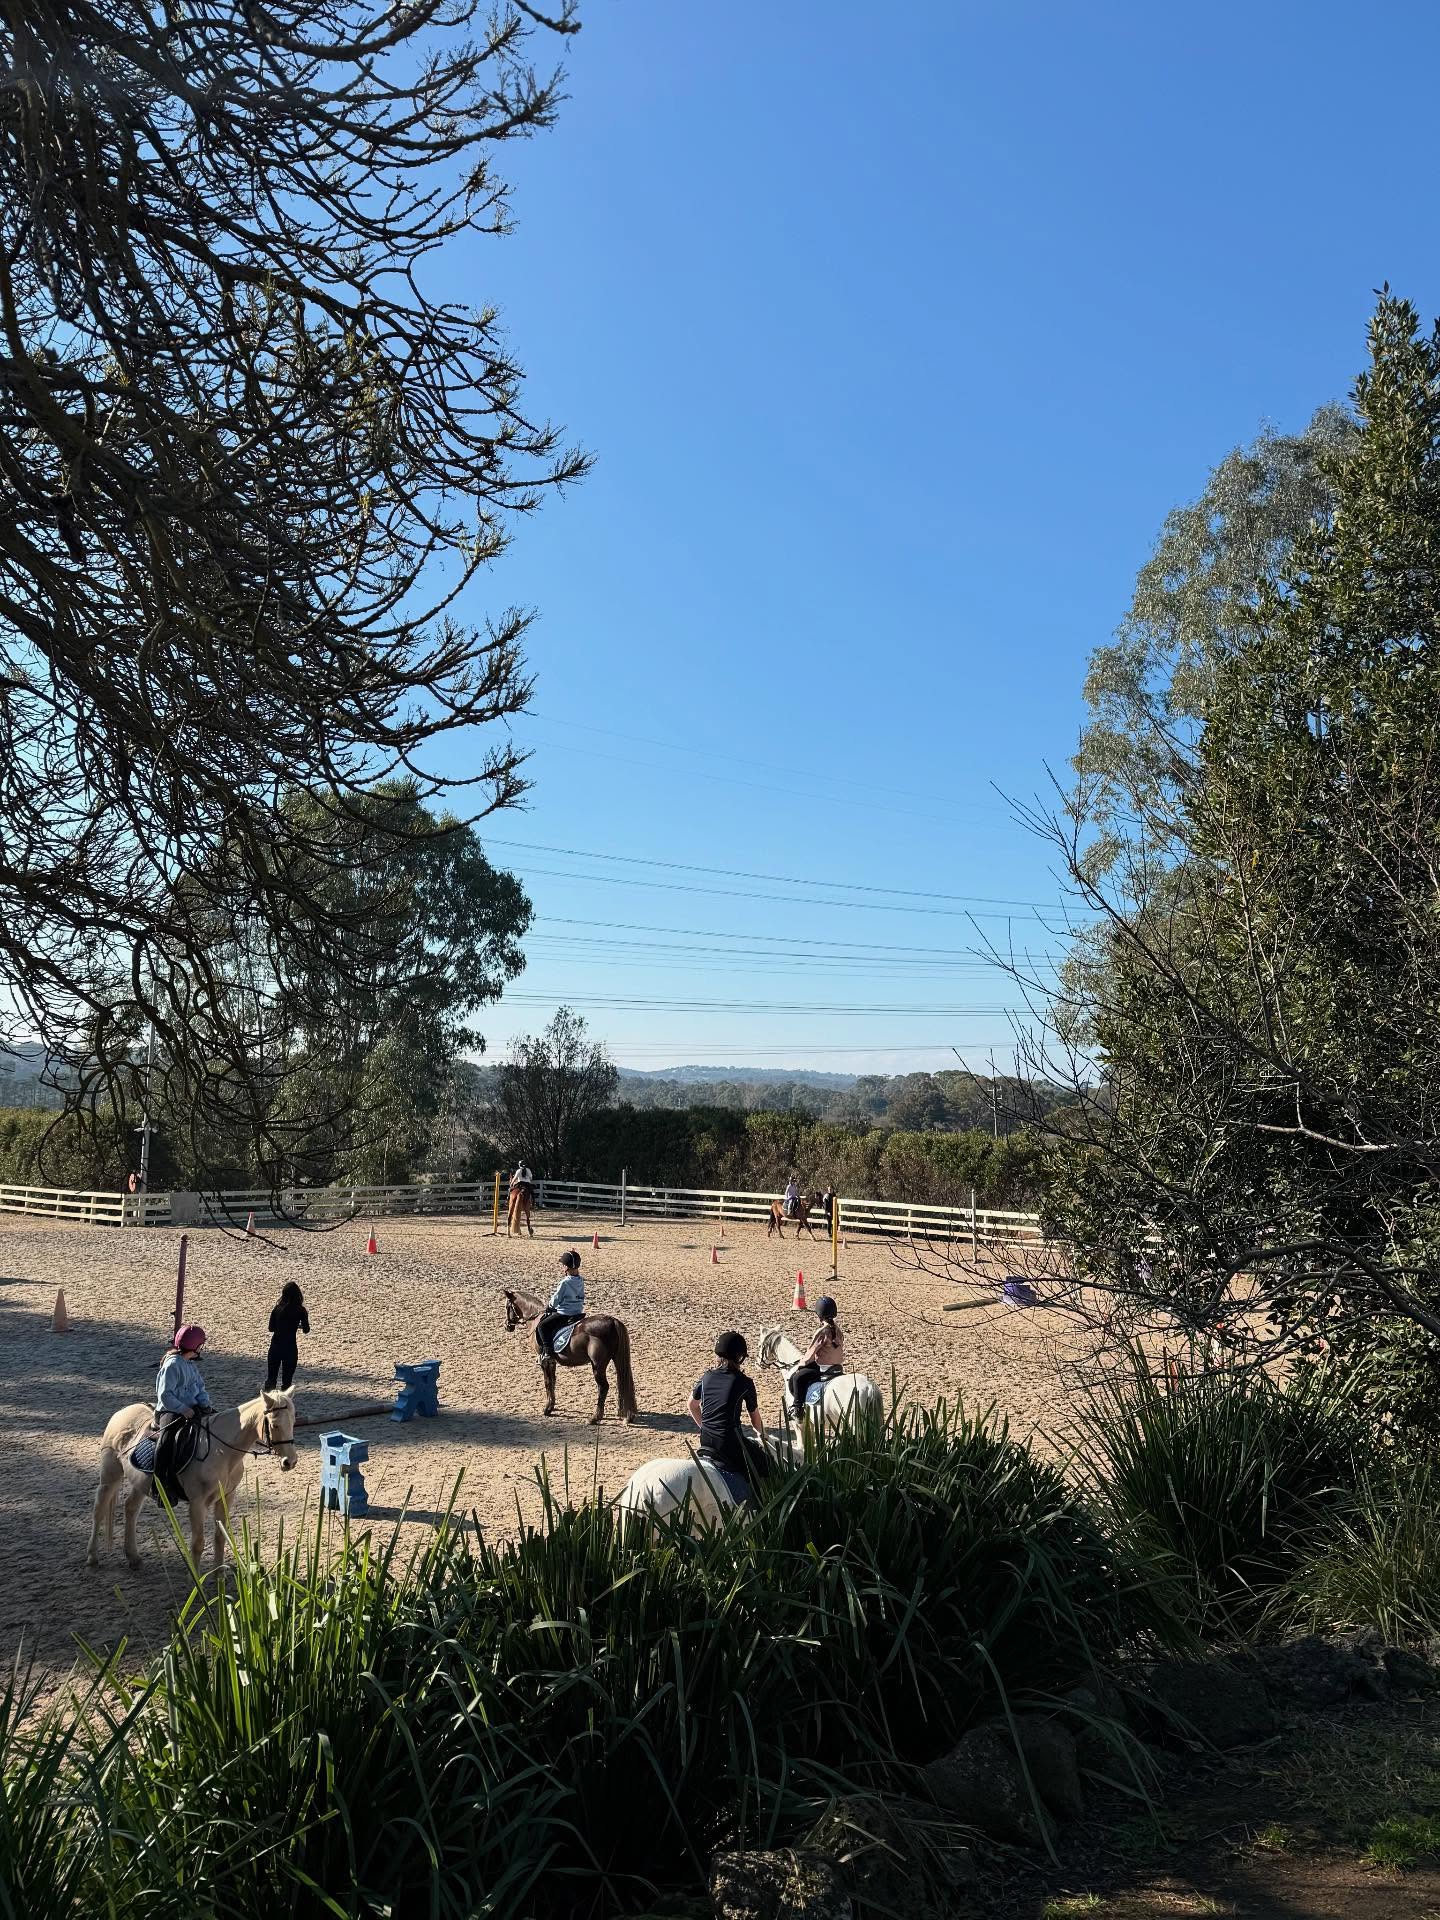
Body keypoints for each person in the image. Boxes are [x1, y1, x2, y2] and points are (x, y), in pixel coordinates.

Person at [689, 1330, 769, 1501]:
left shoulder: (706, 1377)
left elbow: (692, 1405)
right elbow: (755, 1420)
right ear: (740, 1358)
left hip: (705, 1440)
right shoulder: (744, 1382)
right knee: (763, 1464)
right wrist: (763, 1436)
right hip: (730, 1444)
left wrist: (705, 1427)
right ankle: (758, 1504)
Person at [152, 1323, 214, 1485]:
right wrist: (183, 1409)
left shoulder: (191, 1365)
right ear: (197, 1346)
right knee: (166, 1441)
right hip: (170, 1410)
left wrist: (205, 1404)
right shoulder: (172, 1365)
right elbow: (165, 1395)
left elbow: (200, 1388)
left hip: (192, 1408)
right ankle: (159, 1483)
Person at [790, 1295, 846, 1419]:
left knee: (798, 1377)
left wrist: (800, 1364)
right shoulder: (838, 1330)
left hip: (824, 1368)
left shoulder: (822, 1332)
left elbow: (810, 1354)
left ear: (819, 1314)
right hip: (838, 1367)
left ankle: (797, 1408)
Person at [535, 1249, 585, 1359]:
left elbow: (557, 1297)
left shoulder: (565, 1282)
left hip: (565, 1313)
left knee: (542, 1326)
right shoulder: (581, 1280)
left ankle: (547, 1352)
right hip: (578, 1311)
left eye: (563, 1265)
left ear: (566, 1267)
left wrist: (550, 1306)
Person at [265, 1280, 310, 1391]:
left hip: (275, 1346)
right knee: (287, 1382)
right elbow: (306, 1330)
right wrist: (296, 1325)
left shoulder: (277, 1308)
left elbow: (271, 1328)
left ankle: (268, 1402)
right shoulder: (301, 1310)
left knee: (271, 1379)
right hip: (290, 1348)